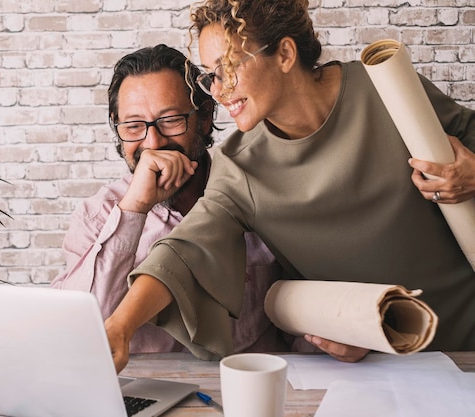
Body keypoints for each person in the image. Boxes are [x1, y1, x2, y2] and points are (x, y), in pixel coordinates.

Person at [105, 0, 475, 372]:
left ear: (284, 54)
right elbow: (182, 254)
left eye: (228, 68)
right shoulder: (240, 167)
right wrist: (120, 327)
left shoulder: (387, 90)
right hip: (381, 370)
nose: (217, 90)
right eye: (210, 75)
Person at [51, 44, 289, 355]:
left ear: (204, 118)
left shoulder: (257, 190)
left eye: (171, 120)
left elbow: (302, 298)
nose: (153, 143)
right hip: (149, 388)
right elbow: (75, 330)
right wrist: (134, 210)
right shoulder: (97, 216)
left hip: (250, 380)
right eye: (134, 126)